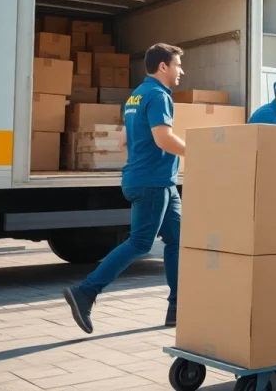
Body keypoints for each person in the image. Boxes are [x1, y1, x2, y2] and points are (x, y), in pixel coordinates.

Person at [63, 43, 186, 334]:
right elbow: (164, 139)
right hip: (152, 182)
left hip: (156, 181)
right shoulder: (158, 95)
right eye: (178, 65)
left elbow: (123, 141)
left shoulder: (137, 95)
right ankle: (86, 291)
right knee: (140, 243)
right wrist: (202, 151)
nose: (181, 71)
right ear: (163, 67)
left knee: (177, 240)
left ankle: (178, 307)